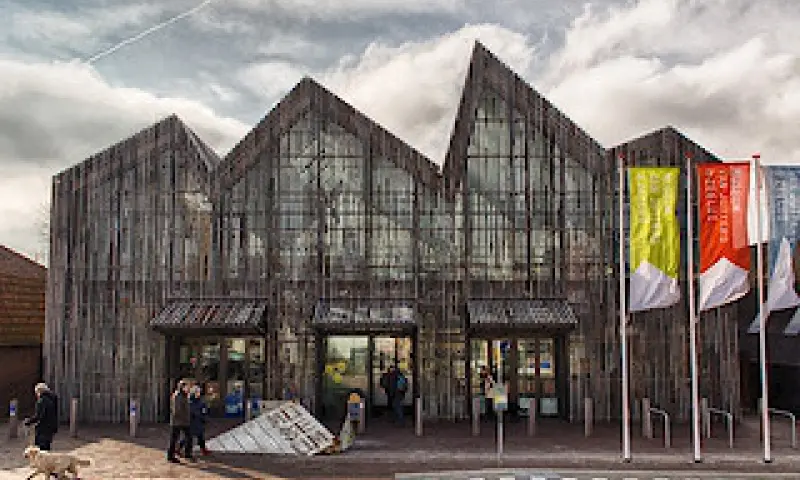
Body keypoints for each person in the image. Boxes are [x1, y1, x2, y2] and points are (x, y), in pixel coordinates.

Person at [23, 383, 59, 451]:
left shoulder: (42, 401)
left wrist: (28, 422)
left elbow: (38, 416)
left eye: (36, 392)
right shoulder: (52, 399)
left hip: (43, 429)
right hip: (50, 428)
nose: (36, 394)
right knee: (46, 448)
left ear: (39, 391)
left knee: (41, 450)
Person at [166, 380, 192, 463]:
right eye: (186, 387)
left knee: (188, 437)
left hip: (184, 421)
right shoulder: (177, 396)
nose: (188, 388)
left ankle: (187, 453)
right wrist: (184, 417)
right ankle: (170, 456)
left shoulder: (185, 395)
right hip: (178, 421)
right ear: (182, 387)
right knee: (174, 439)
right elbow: (177, 410)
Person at [181, 385, 210, 456]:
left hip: (199, 421)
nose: (198, 393)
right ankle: (179, 448)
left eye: (199, 392)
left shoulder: (200, 401)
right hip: (192, 422)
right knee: (189, 437)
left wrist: (204, 416)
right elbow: (190, 411)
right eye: (197, 392)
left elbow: (203, 409)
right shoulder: (190, 401)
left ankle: (203, 449)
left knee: (200, 436)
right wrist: (198, 414)